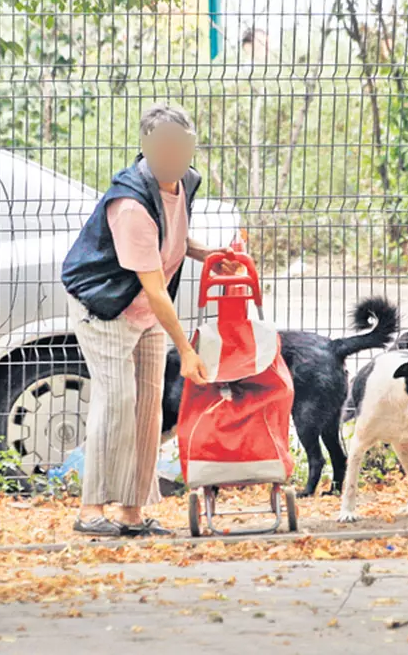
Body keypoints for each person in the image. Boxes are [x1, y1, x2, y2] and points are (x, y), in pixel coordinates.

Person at [61, 102, 235, 537]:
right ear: (147, 146)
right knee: (116, 402)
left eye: (182, 145)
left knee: (147, 408)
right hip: (105, 308)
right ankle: (90, 511)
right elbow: (156, 288)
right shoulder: (130, 203)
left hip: (144, 311)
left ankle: (132, 512)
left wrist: (208, 254)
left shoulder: (185, 181)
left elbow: (171, 235)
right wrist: (188, 351)